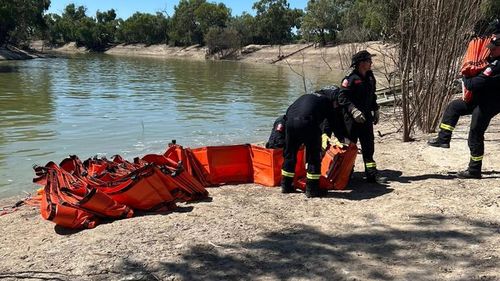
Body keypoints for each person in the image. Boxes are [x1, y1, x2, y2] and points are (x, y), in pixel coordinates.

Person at [428, 33, 500, 178]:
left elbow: (475, 84)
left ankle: (474, 169)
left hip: (490, 103)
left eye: (493, 49)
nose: (490, 51)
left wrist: (466, 76)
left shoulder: (496, 65)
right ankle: (443, 139)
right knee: (454, 107)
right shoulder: (491, 59)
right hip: (480, 98)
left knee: (475, 133)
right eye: (490, 48)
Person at [280, 86, 341, 198]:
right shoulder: (326, 101)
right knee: (314, 156)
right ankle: (312, 189)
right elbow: (333, 122)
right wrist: (341, 138)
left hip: (290, 123)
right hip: (308, 123)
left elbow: (288, 112)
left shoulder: (306, 96)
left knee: (290, 154)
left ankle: (286, 185)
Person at [338, 50, 382, 183]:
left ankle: (371, 175)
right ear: (361, 63)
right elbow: (342, 97)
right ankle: (347, 173)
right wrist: (353, 110)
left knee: (369, 147)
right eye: (369, 60)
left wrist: (376, 109)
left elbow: (372, 96)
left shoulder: (369, 77)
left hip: (366, 118)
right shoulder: (350, 79)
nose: (371, 63)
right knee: (350, 147)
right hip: (352, 120)